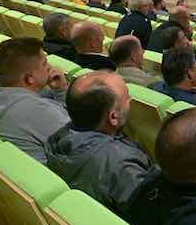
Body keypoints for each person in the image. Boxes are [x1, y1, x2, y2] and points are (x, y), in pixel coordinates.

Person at [46, 71, 155, 214]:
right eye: (127, 97)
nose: (131, 100)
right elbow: (152, 215)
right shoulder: (122, 166)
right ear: (113, 117)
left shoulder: (58, 139)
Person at [0, 38, 70, 164]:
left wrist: (60, 91)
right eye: (45, 64)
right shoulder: (39, 111)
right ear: (30, 77)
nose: (50, 68)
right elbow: (81, 142)